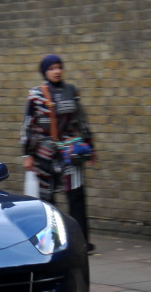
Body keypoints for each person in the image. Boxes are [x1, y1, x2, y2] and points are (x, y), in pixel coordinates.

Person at [21, 53, 96, 251]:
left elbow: (81, 119)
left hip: (71, 152)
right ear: (45, 72)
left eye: (59, 67)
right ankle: (50, 242)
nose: (57, 71)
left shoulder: (72, 91)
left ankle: (82, 242)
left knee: (76, 197)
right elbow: (28, 124)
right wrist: (27, 153)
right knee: (47, 200)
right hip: (44, 152)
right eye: (52, 68)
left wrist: (90, 144)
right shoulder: (36, 94)